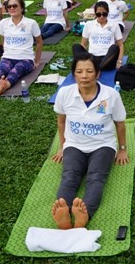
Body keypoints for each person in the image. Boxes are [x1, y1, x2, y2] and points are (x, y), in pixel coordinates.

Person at [50, 53, 129, 229]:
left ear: (98, 74)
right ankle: (63, 214)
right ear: (74, 74)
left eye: (89, 71)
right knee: (70, 176)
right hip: (74, 145)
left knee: (96, 177)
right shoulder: (65, 93)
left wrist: (122, 148)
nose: (84, 76)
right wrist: (62, 146)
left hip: (103, 145)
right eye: (79, 71)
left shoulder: (110, 95)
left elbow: (120, 124)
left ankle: (84, 216)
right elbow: (61, 121)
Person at [73, 1, 124, 71]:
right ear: (95, 14)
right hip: (92, 57)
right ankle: (94, 67)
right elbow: (83, 44)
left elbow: (120, 45)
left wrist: (119, 61)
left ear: (108, 13)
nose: (101, 16)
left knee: (115, 47)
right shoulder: (89, 25)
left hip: (108, 58)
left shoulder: (114, 25)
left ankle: (96, 69)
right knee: (76, 47)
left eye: (104, 14)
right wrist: (83, 57)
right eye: (98, 14)